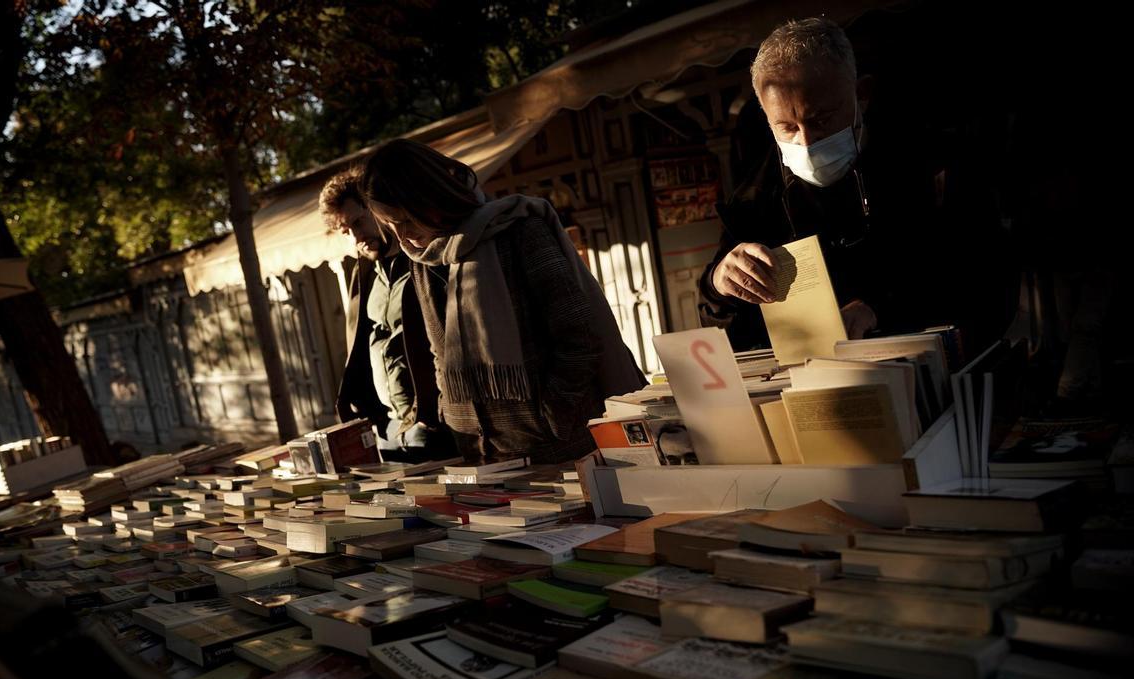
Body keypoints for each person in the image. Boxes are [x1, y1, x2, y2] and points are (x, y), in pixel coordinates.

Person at [699, 17, 1008, 354]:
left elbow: (992, 290)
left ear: (861, 95)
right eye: (787, 127)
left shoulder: (935, 166)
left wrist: (882, 310)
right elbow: (730, 335)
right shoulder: (755, 199)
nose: (807, 141)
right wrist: (719, 286)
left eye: (821, 119)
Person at [358, 139, 646, 464]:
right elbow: (439, 350)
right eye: (390, 226)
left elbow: (579, 334)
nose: (402, 236)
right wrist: (453, 415)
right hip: (481, 456)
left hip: (555, 447)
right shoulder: (422, 259)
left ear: (431, 196)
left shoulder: (517, 231)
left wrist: (553, 412)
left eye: (407, 220)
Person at [319, 168, 454, 461]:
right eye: (346, 231)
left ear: (378, 210)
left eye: (359, 222)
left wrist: (437, 413)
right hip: (389, 427)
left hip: (437, 423)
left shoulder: (425, 259)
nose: (356, 236)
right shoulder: (364, 274)